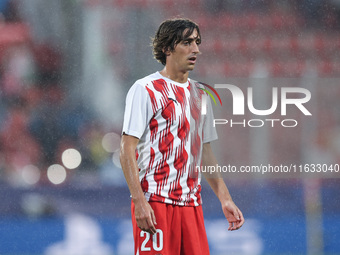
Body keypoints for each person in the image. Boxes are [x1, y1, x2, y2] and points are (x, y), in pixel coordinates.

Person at [120, 18, 244, 255]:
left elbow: (204, 152)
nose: (195, 49)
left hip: (191, 206)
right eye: (187, 42)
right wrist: (139, 201)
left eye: (197, 42)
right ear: (167, 48)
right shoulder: (145, 89)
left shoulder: (201, 95)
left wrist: (225, 198)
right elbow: (127, 147)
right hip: (155, 201)